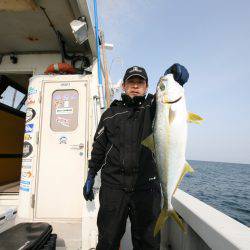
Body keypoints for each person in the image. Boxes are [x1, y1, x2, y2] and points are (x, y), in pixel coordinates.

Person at [83, 63, 189, 250]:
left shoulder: (155, 106)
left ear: (147, 87)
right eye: (131, 82)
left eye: (140, 82)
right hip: (114, 186)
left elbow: (170, 93)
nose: (135, 86)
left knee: (148, 242)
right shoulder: (109, 114)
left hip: (146, 187)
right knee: (107, 240)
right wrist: (91, 174)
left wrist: (176, 77)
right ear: (123, 86)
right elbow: (99, 147)